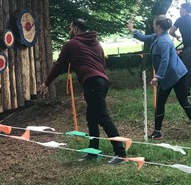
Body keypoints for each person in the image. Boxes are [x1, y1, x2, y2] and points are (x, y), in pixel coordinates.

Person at [39, 18, 126, 164]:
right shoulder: (96, 43)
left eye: (70, 28)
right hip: (102, 81)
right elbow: (102, 64)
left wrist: (46, 83)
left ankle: (121, 154)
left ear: (75, 29)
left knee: (103, 118)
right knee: (92, 118)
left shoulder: (71, 44)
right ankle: (93, 152)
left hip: (93, 82)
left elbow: (59, 65)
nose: (69, 31)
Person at [128, 15, 191, 139]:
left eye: (154, 23)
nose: (153, 25)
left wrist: (157, 77)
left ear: (158, 26)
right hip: (178, 73)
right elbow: (144, 38)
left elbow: (165, 60)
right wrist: (133, 30)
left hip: (173, 75)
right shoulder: (158, 36)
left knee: (164, 103)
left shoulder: (164, 41)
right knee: (181, 102)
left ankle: (159, 132)